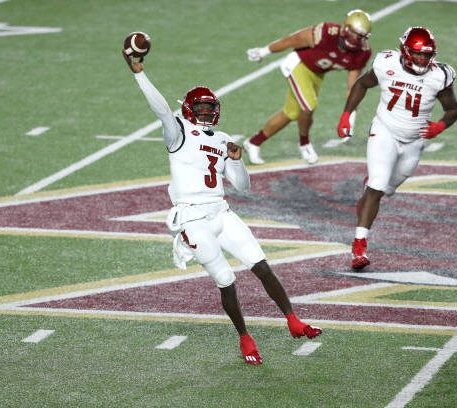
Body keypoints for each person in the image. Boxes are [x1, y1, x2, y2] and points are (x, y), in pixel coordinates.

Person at [122, 46, 322, 366]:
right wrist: (139, 72)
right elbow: (159, 108)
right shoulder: (178, 132)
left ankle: (293, 320)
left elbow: (242, 187)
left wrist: (237, 161)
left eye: (208, 107)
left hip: (222, 211)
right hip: (192, 218)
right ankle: (245, 336)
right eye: (199, 108)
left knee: (261, 264)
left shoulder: (222, 137)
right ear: (188, 110)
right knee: (226, 279)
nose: (204, 113)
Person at [336, 26, 457, 270]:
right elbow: (362, 84)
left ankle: (369, 192)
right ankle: (359, 245)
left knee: (386, 189)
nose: (424, 59)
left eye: (427, 55)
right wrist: (346, 115)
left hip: (414, 140)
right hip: (385, 131)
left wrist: (441, 125)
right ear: (405, 51)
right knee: (378, 184)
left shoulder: (439, 76)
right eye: (419, 54)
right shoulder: (386, 63)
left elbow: (454, 108)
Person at [243, 9, 372, 165]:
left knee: (290, 113)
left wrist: (349, 117)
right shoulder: (327, 33)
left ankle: (253, 143)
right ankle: (304, 144)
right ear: (345, 28)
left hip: (316, 75)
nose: (356, 38)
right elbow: (292, 40)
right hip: (297, 66)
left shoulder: (362, 52)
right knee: (308, 106)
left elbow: (352, 87)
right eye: (354, 33)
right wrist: (263, 51)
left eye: (361, 36)